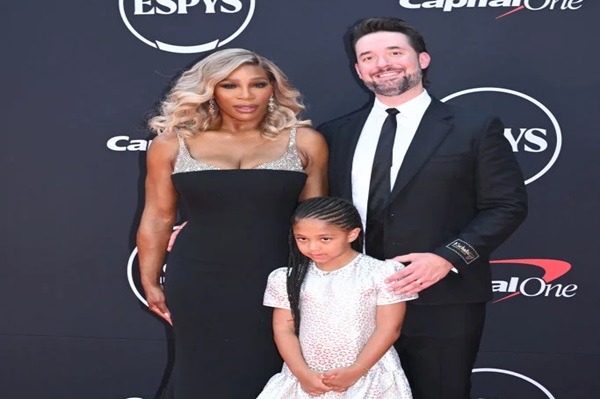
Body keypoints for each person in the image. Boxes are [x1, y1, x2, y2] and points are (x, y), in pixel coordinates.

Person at [318, 18, 528, 399]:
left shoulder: (473, 128)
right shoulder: (334, 134)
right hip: (353, 299)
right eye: (369, 57)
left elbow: (506, 205)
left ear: (422, 60)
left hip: (442, 296)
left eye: (395, 53)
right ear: (358, 70)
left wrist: (448, 258)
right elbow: (312, 208)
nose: (382, 63)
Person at [136, 48, 328, 398]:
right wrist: (150, 279)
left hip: (278, 276)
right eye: (230, 85)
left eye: (257, 84)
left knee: (272, 368)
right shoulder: (171, 144)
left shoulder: (304, 141)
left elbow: (317, 223)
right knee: (201, 370)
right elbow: (158, 216)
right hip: (198, 278)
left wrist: (322, 281)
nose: (245, 95)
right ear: (211, 90)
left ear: (273, 89)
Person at [256, 196, 416, 399]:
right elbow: (283, 328)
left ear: (352, 234)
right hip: (308, 376)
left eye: (325, 239)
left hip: (368, 373)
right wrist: (302, 374)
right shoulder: (286, 278)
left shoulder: (381, 273)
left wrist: (356, 371)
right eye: (302, 238)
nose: (313, 247)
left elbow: (389, 328)